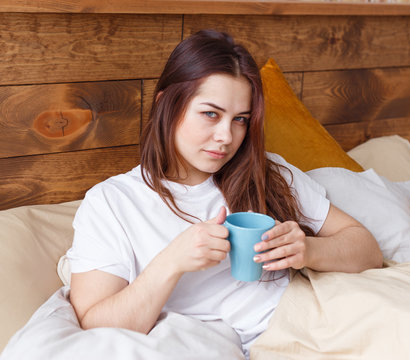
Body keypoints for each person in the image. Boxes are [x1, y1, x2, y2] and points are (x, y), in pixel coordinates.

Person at [66, 29, 383, 358]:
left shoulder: (265, 172)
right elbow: (94, 326)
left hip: (310, 327)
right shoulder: (113, 202)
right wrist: (172, 262)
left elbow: (367, 249)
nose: (226, 137)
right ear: (166, 105)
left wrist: (307, 250)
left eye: (240, 120)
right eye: (210, 114)